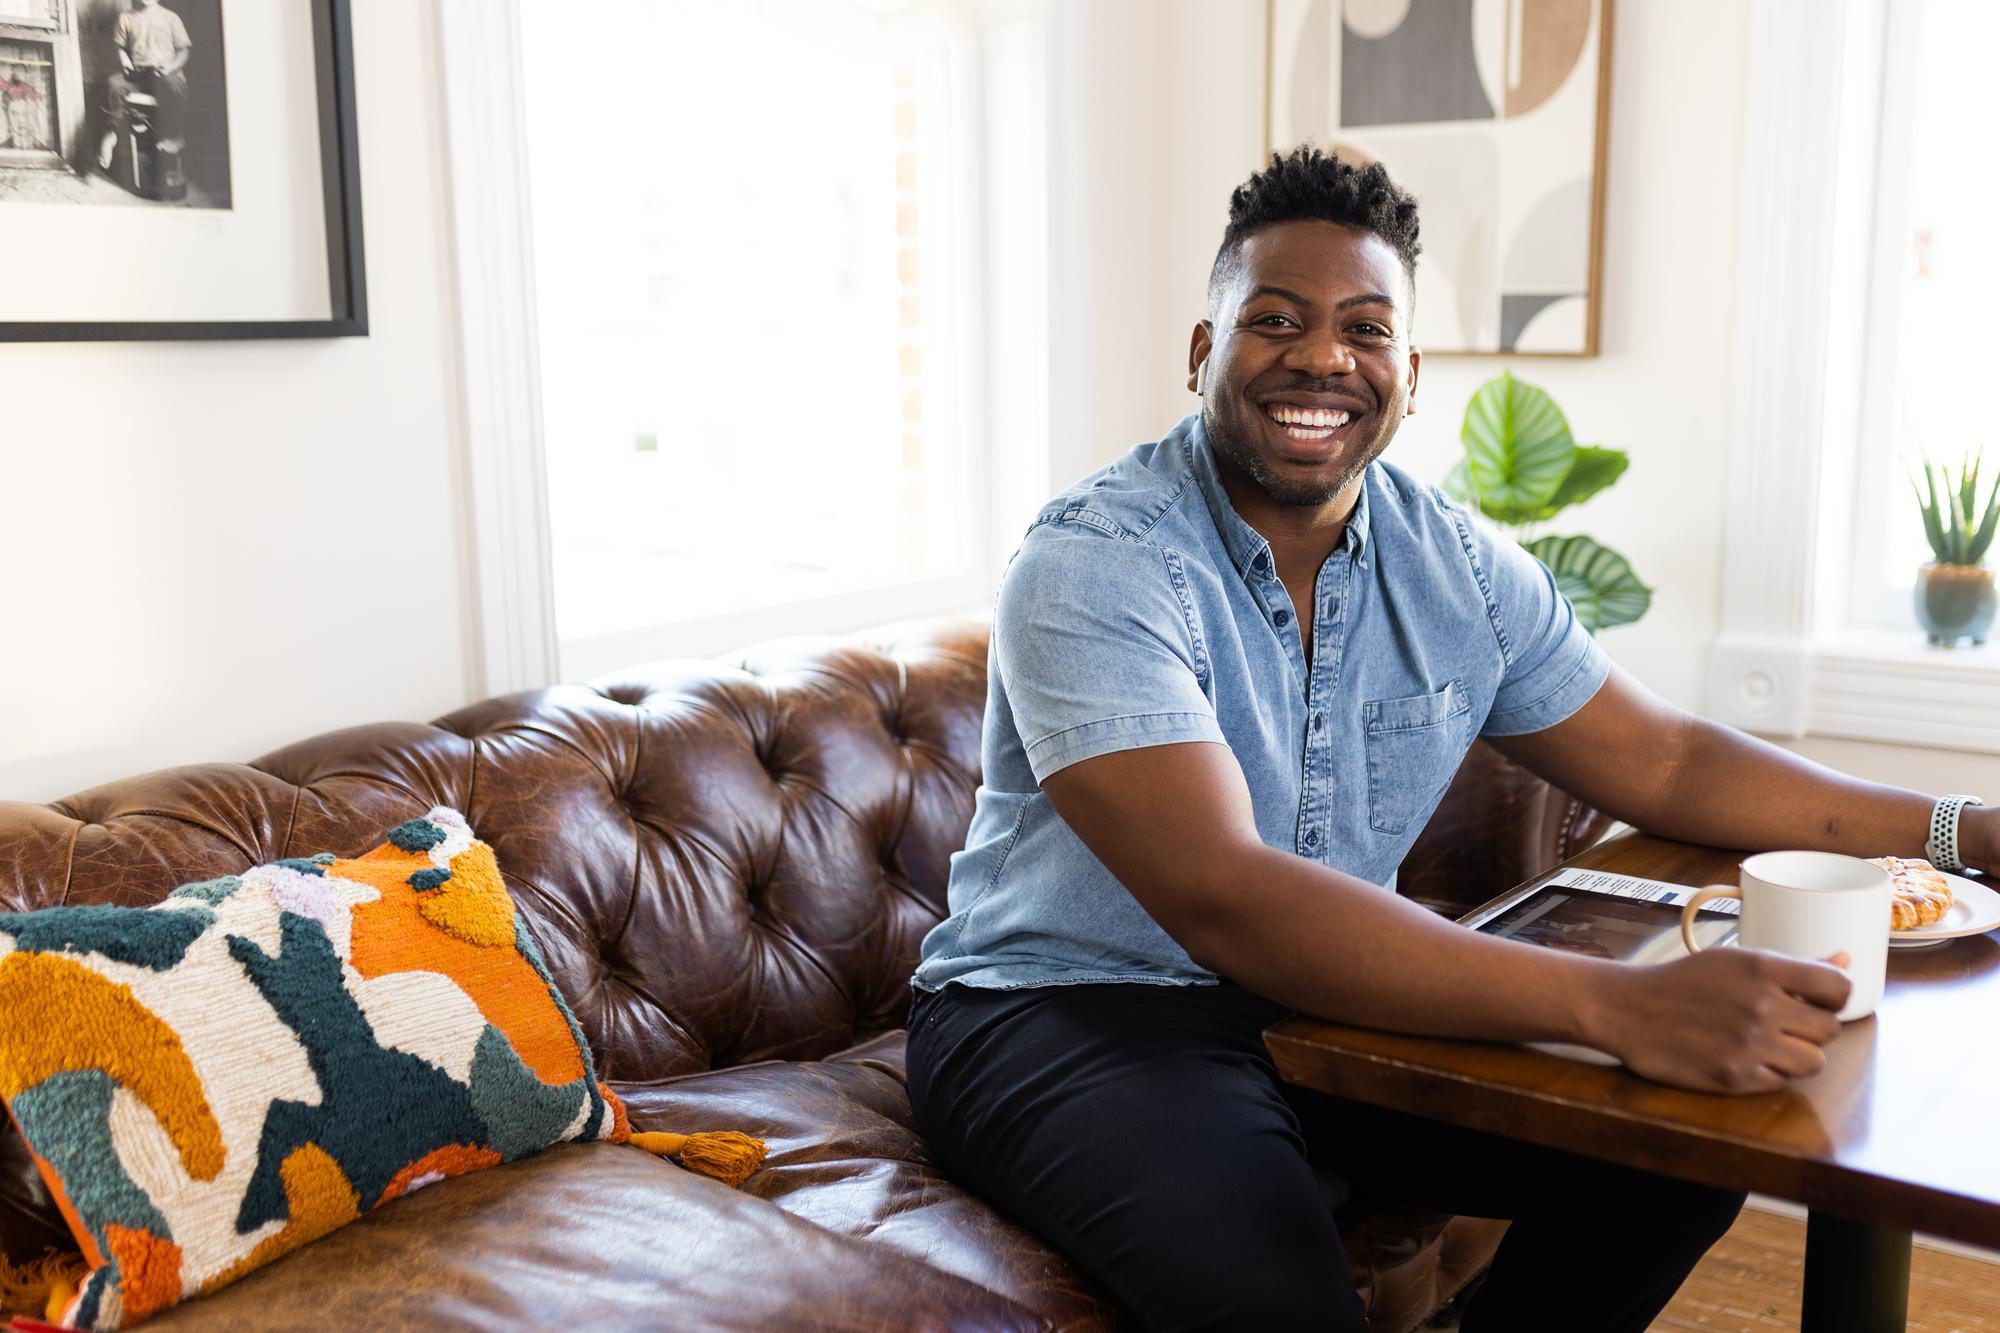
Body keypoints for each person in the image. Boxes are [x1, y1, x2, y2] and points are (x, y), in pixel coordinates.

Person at [905, 145, 1996, 1332]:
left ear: (1408, 374)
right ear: (1200, 353)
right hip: (1064, 1011)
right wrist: (1616, 1005)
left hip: (1321, 998)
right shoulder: (1096, 562)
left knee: (1670, 1159)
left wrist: (1961, 827)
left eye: (1363, 329)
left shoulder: (1457, 565)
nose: (1321, 355)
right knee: (1279, 1303)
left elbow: (1667, 761)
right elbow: (1224, 891)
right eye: (1273, 320)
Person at [97, 0, 191, 173]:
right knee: (114, 85)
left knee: (176, 86)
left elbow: (183, 51)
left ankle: (174, 135)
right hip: (137, 75)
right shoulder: (126, 17)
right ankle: (111, 133)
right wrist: (125, 60)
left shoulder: (171, 17)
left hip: (164, 73)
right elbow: (121, 48)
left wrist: (169, 68)